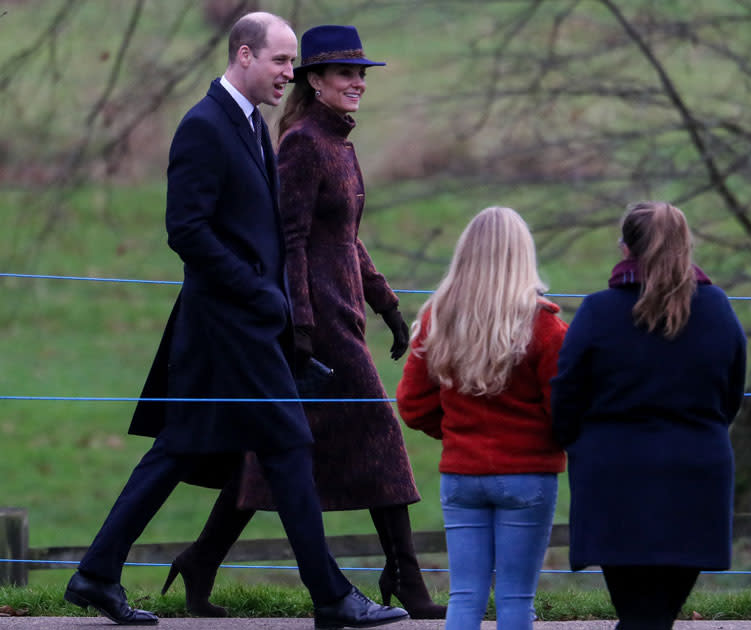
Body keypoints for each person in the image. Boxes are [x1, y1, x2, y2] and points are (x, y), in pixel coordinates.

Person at [62, 12, 408, 628]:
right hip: (229, 326)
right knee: (290, 443)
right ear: (244, 56)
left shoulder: (249, 124)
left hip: (240, 326)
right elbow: (186, 230)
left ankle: (95, 573)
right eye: (280, 61)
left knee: (179, 449)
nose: (289, 73)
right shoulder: (203, 126)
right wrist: (262, 295)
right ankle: (330, 596)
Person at [162, 24, 445, 620]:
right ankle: (406, 575)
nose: (357, 83)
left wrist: (387, 305)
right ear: (314, 81)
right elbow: (287, 241)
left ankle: (202, 559)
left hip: (341, 313)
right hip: (315, 320)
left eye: (362, 74)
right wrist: (301, 327)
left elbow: (346, 239)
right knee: (380, 438)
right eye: (345, 72)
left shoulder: (337, 141)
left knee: (277, 450)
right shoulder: (300, 144)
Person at [551, 201, 747, 630]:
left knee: (641, 615)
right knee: (653, 616)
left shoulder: (599, 311)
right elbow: (732, 392)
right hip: (697, 472)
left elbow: (566, 393)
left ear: (625, 249)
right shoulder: (716, 309)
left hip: (613, 476)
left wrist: (578, 444)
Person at [396, 206, 569, 630]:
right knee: (515, 600)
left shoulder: (439, 319)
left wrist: (459, 431)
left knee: (465, 597)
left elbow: (413, 403)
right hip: (528, 475)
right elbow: (564, 412)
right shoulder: (547, 328)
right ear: (522, 256)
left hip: (462, 474)